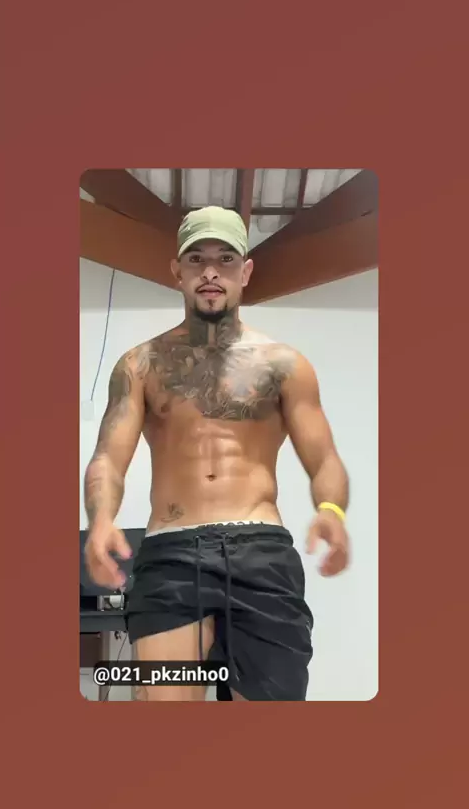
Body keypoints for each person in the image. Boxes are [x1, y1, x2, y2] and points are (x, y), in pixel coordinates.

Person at [83, 205, 350, 701]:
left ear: (245, 272)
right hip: (171, 553)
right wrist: (100, 520)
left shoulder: (285, 365)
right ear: (177, 271)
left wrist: (331, 511)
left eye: (225, 259)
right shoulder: (140, 365)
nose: (210, 271)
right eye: (197, 259)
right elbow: (108, 458)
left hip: (261, 551)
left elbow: (325, 458)